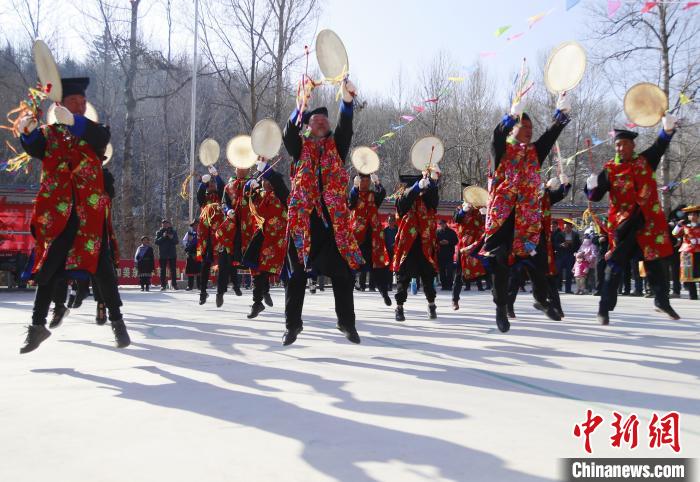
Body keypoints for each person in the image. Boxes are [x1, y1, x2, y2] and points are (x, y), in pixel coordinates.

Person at [16, 76, 130, 353]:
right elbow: (32, 146)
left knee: (102, 268)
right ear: (59, 104)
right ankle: (37, 325)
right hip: (58, 214)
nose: (79, 106)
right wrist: (25, 131)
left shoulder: (94, 131)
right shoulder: (48, 135)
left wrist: (74, 122)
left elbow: (101, 139)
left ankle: (117, 322)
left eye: (82, 102)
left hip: (88, 215)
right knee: (49, 267)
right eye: (72, 102)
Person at [480, 92, 572, 332]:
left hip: (528, 220)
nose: (529, 130)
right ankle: (501, 308)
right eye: (524, 125)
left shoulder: (534, 152)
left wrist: (561, 116)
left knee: (537, 262)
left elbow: (551, 136)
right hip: (503, 218)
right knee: (500, 262)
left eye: (531, 126)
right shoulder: (501, 150)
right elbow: (496, 135)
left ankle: (541, 300)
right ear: (513, 129)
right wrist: (510, 117)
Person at [281, 78, 363, 346]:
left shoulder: (336, 146)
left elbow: (345, 128)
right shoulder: (299, 147)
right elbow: (287, 134)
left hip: (333, 222)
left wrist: (347, 101)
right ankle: (292, 326)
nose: (321, 122)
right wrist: (301, 104)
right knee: (296, 276)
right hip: (304, 220)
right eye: (315, 120)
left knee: (343, 273)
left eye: (324, 121)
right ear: (307, 125)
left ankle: (346, 322)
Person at [585, 118, 680, 324]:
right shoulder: (610, 169)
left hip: (648, 224)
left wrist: (667, 129)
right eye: (617, 144)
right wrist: (590, 186)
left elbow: (659, 146)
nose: (620, 148)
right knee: (615, 265)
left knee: (655, 264)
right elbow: (594, 197)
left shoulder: (645, 161)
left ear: (632, 145)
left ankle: (661, 301)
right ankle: (604, 307)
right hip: (624, 226)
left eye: (624, 144)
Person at [507, 175, 570, 319]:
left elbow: (560, 193)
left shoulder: (545, 197)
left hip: (541, 242)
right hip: (522, 240)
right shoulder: (519, 196)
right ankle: (508, 307)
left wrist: (565, 184)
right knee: (516, 277)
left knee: (547, 275)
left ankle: (554, 306)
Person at [242, 160, 289, 318]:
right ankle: (258, 301)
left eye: (266, 180)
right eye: (263, 180)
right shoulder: (262, 195)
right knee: (256, 268)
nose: (264, 183)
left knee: (279, 273)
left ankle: (288, 307)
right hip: (262, 235)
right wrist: (251, 189)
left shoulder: (282, 195)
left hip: (277, 240)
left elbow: (277, 180)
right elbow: (252, 206)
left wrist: (265, 167)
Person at [392, 172, 440, 321]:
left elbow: (434, 200)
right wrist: (416, 188)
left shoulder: (427, 200)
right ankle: (399, 308)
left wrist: (433, 181)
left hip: (425, 244)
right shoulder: (402, 199)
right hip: (408, 246)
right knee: (403, 278)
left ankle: (431, 305)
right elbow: (404, 201)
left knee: (428, 277)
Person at [348, 173, 392, 305]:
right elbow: (351, 200)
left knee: (378, 268)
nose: (365, 183)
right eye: (363, 180)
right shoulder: (355, 195)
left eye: (368, 180)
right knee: (351, 267)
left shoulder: (373, 195)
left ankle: (384, 293)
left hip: (373, 237)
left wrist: (377, 182)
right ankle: (346, 296)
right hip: (357, 237)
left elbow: (382, 193)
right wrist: (355, 187)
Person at [216, 166, 255, 305]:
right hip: (231, 226)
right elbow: (224, 203)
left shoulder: (253, 183)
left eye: (244, 168)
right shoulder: (229, 186)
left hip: (249, 226)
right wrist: (228, 210)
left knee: (255, 259)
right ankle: (220, 292)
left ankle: (261, 295)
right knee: (225, 261)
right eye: (239, 168)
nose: (241, 170)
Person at [196, 167, 225, 304]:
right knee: (205, 265)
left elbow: (223, 187)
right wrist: (202, 182)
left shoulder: (220, 197)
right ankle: (203, 291)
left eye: (213, 183)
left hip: (219, 235)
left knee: (221, 264)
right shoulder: (204, 199)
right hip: (205, 236)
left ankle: (220, 292)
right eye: (210, 183)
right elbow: (199, 194)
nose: (212, 185)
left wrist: (216, 174)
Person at [452, 199, 485, 310]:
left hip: (479, 243)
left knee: (490, 268)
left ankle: (500, 302)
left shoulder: (480, 210)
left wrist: (486, 215)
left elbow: (488, 225)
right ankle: (455, 300)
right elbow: (456, 219)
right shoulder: (460, 208)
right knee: (459, 274)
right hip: (464, 245)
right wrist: (464, 211)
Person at [672, 205, 699, 300]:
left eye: (695, 214)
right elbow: (674, 233)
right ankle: (693, 295)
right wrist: (678, 225)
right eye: (690, 214)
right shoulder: (685, 227)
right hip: (687, 252)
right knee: (689, 273)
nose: (692, 216)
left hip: (698, 251)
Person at [555, 221, 581, 294]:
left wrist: (574, 249)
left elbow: (578, 245)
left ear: (571, 227)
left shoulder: (575, 235)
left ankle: (568, 289)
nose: (566, 228)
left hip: (570, 255)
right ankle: (557, 287)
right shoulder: (560, 234)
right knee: (558, 272)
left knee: (569, 273)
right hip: (560, 255)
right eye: (565, 227)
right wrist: (561, 245)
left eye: (568, 227)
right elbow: (555, 244)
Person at [155, 219, 179, 290]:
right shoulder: (159, 232)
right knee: (163, 270)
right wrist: (163, 236)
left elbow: (176, 241)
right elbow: (156, 242)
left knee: (173, 270)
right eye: (163, 223)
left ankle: (174, 285)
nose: (165, 225)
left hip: (172, 254)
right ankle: (163, 285)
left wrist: (172, 238)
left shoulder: (173, 232)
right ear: (162, 225)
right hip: (163, 254)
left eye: (166, 223)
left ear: (169, 224)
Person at [436, 219, 459, 291]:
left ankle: (449, 285)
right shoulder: (437, 232)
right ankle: (443, 285)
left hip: (449, 253)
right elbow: (434, 241)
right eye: (440, 224)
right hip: (440, 253)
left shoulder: (451, 232)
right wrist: (440, 242)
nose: (442, 225)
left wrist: (448, 242)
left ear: (446, 224)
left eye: (443, 224)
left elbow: (456, 241)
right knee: (441, 270)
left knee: (449, 270)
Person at [182, 221, 200, 291]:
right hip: (190, 252)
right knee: (190, 269)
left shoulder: (201, 232)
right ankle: (190, 286)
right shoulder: (189, 233)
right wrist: (187, 245)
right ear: (192, 226)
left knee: (199, 269)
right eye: (194, 225)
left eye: (197, 225)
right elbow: (184, 241)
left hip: (199, 251)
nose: (196, 226)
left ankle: (199, 286)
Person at [383, 215, 398, 291]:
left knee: (396, 268)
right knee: (388, 269)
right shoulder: (385, 231)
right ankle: (389, 285)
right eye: (389, 221)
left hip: (396, 252)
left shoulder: (397, 230)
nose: (390, 222)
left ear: (394, 222)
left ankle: (399, 285)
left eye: (392, 220)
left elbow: (400, 240)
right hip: (387, 252)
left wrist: (395, 244)